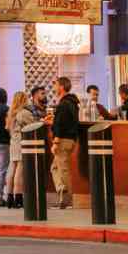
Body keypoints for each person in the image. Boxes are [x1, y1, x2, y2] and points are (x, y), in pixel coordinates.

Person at [49, 76, 81, 210]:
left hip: (62, 140)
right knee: (56, 168)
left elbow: (60, 124)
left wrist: (56, 141)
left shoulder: (63, 104)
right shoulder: (73, 103)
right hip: (71, 139)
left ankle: (66, 200)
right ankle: (62, 192)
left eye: (55, 85)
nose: (54, 88)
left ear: (61, 87)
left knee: (63, 169)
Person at [6, 91, 34, 208]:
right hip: (21, 141)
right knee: (20, 170)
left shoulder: (11, 113)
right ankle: (18, 197)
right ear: (23, 100)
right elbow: (33, 125)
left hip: (13, 141)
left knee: (12, 167)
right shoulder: (24, 113)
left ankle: (9, 197)